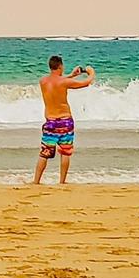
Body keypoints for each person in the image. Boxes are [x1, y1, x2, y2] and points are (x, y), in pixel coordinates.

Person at [32, 54, 95, 184]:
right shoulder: (64, 82)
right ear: (60, 66)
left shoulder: (43, 81)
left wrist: (72, 75)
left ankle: (36, 181)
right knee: (65, 152)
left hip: (50, 122)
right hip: (65, 121)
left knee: (44, 153)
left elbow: (56, 81)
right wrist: (91, 73)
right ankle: (62, 181)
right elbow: (86, 83)